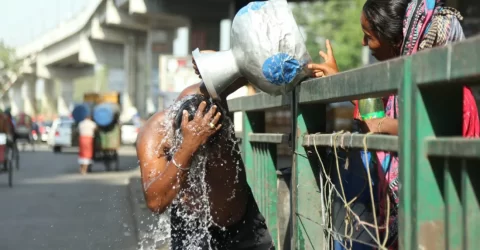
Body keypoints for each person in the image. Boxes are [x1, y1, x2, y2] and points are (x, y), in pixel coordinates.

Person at [307, 0, 480, 249]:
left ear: (396, 40)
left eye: (368, 36)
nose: (363, 44)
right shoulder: (400, 90)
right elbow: (374, 113)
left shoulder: (449, 91)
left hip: (449, 227)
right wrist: (338, 80)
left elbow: (426, 129)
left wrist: (384, 125)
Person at [136, 58, 275, 249]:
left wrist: (213, 62)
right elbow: (155, 202)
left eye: (214, 145)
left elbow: (254, 65)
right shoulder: (155, 133)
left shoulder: (212, 93)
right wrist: (188, 148)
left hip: (243, 224)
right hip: (192, 226)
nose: (209, 156)